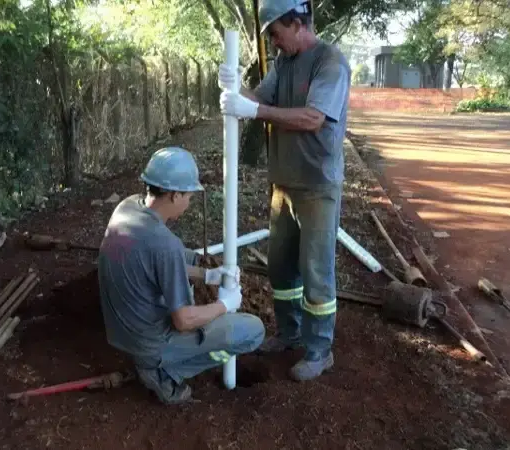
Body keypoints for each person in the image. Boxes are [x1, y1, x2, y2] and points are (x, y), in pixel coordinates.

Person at [218, 0, 351, 381]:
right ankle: (289, 333)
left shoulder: (330, 62)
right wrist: (233, 87)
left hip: (316, 186)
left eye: (276, 34)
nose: (274, 43)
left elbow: (313, 118)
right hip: (284, 185)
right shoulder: (283, 64)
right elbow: (257, 99)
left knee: (316, 271)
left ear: (297, 23)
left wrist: (255, 112)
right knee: (281, 267)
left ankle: (318, 349)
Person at [97, 147, 265, 404]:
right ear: (175, 195)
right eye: (189, 195)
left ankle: (155, 364)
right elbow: (184, 321)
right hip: (151, 344)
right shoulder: (165, 244)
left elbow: (153, 262)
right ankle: (166, 373)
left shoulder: (126, 208)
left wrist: (207, 275)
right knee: (253, 331)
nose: (189, 203)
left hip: (121, 332)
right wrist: (225, 305)